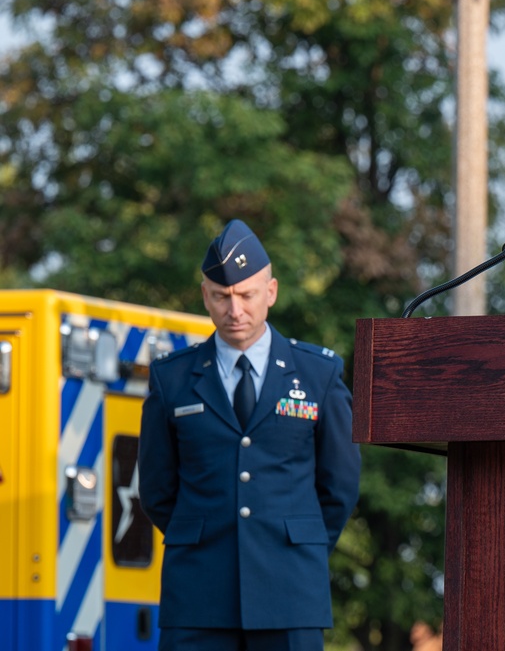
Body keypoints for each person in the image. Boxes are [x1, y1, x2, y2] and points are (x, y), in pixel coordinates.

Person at [138, 219, 361, 651]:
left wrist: (297, 545)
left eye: (246, 295)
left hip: (290, 594)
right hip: (198, 597)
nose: (234, 310)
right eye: (222, 296)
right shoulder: (172, 379)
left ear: (271, 292)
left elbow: (340, 486)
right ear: (206, 296)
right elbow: (157, 489)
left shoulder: (319, 374)